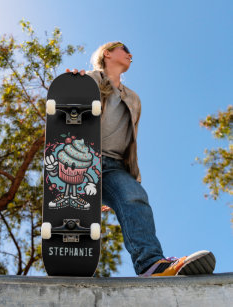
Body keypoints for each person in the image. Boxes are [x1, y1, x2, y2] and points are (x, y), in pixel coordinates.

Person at [66, 41, 216, 277]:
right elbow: (65, 112)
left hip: (115, 167)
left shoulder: (133, 99)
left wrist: (126, 181)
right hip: (81, 158)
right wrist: (72, 84)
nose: (129, 54)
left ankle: (151, 265)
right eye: (124, 50)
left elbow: (129, 141)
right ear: (107, 53)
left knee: (135, 197)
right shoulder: (88, 80)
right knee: (75, 213)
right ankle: (68, 256)